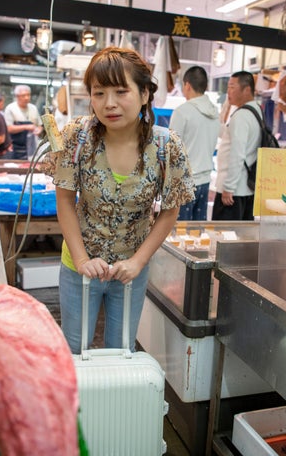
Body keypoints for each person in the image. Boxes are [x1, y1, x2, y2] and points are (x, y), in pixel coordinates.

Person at [47, 47, 194, 354]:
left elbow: (170, 211)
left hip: (131, 268)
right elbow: (64, 199)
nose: (109, 103)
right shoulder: (78, 136)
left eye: (121, 91)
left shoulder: (167, 147)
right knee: (73, 348)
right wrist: (83, 260)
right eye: (99, 93)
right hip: (78, 264)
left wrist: (137, 261)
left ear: (144, 94)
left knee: (122, 348)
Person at [169, 66, 220, 221]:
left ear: (187, 85)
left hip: (184, 183)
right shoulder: (215, 112)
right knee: (197, 234)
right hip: (205, 181)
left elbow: (172, 150)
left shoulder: (182, 111)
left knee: (179, 234)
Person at [211, 71, 262, 221]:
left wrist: (229, 188)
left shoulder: (241, 116)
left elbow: (237, 153)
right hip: (246, 188)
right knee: (240, 238)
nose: (228, 92)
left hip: (233, 192)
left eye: (232, 87)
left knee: (223, 237)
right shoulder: (256, 111)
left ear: (246, 90)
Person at [4, 85, 42, 159]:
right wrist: (26, 127)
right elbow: (9, 128)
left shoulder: (33, 108)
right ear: (17, 96)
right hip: (16, 148)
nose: (27, 98)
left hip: (32, 147)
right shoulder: (10, 108)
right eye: (24, 95)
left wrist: (39, 130)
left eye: (28, 95)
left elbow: (40, 125)